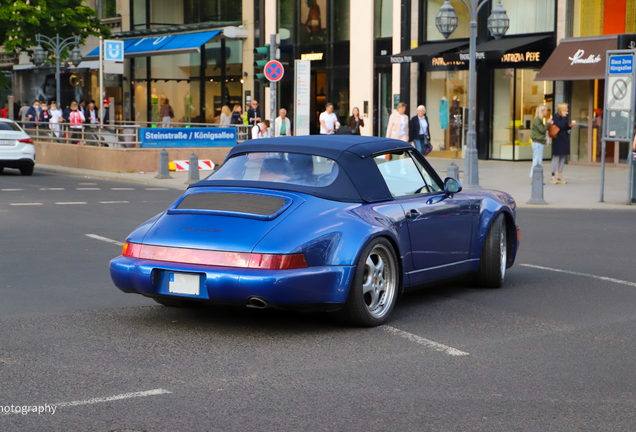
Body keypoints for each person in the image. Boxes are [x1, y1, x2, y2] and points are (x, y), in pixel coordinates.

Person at [550, 103, 575, 184]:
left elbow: (564, 127)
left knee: (562, 157)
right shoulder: (556, 116)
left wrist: (570, 126)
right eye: (566, 108)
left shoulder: (564, 117)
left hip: (564, 139)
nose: (567, 109)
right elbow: (560, 125)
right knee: (556, 157)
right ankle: (553, 176)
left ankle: (560, 176)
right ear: (562, 109)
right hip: (557, 139)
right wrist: (564, 117)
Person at [530, 104, 552, 179]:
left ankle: (536, 177)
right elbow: (542, 130)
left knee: (538, 160)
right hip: (538, 143)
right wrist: (548, 123)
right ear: (542, 111)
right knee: (537, 160)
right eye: (546, 110)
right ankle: (534, 176)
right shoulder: (537, 120)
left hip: (539, 142)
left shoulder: (539, 120)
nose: (547, 112)